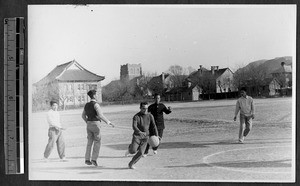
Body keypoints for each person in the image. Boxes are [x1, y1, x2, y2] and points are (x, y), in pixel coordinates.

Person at [81, 90, 115, 166]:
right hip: (96, 124)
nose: (98, 96)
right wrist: (108, 122)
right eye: (97, 94)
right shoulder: (96, 105)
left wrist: (88, 122)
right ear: (94, 96)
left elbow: (83, 116)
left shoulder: (86, 105)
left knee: (89, 142)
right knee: (97, 141)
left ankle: (87, 159)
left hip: (89, 124)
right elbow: (100, 115)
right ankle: (94, 159)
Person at [125, 102, 158, 169]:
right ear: (140, 108)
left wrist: (156, 135)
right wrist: (139, 132)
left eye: (146, 108)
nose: (145, 110)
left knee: (141, 152)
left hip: (145, 137)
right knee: (133, 151)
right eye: (143, 108)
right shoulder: (136, 116)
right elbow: (134, 126)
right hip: (137, 136)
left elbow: (154, 126)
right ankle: (130, 148)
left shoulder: (150, 116)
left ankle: (131, 164)